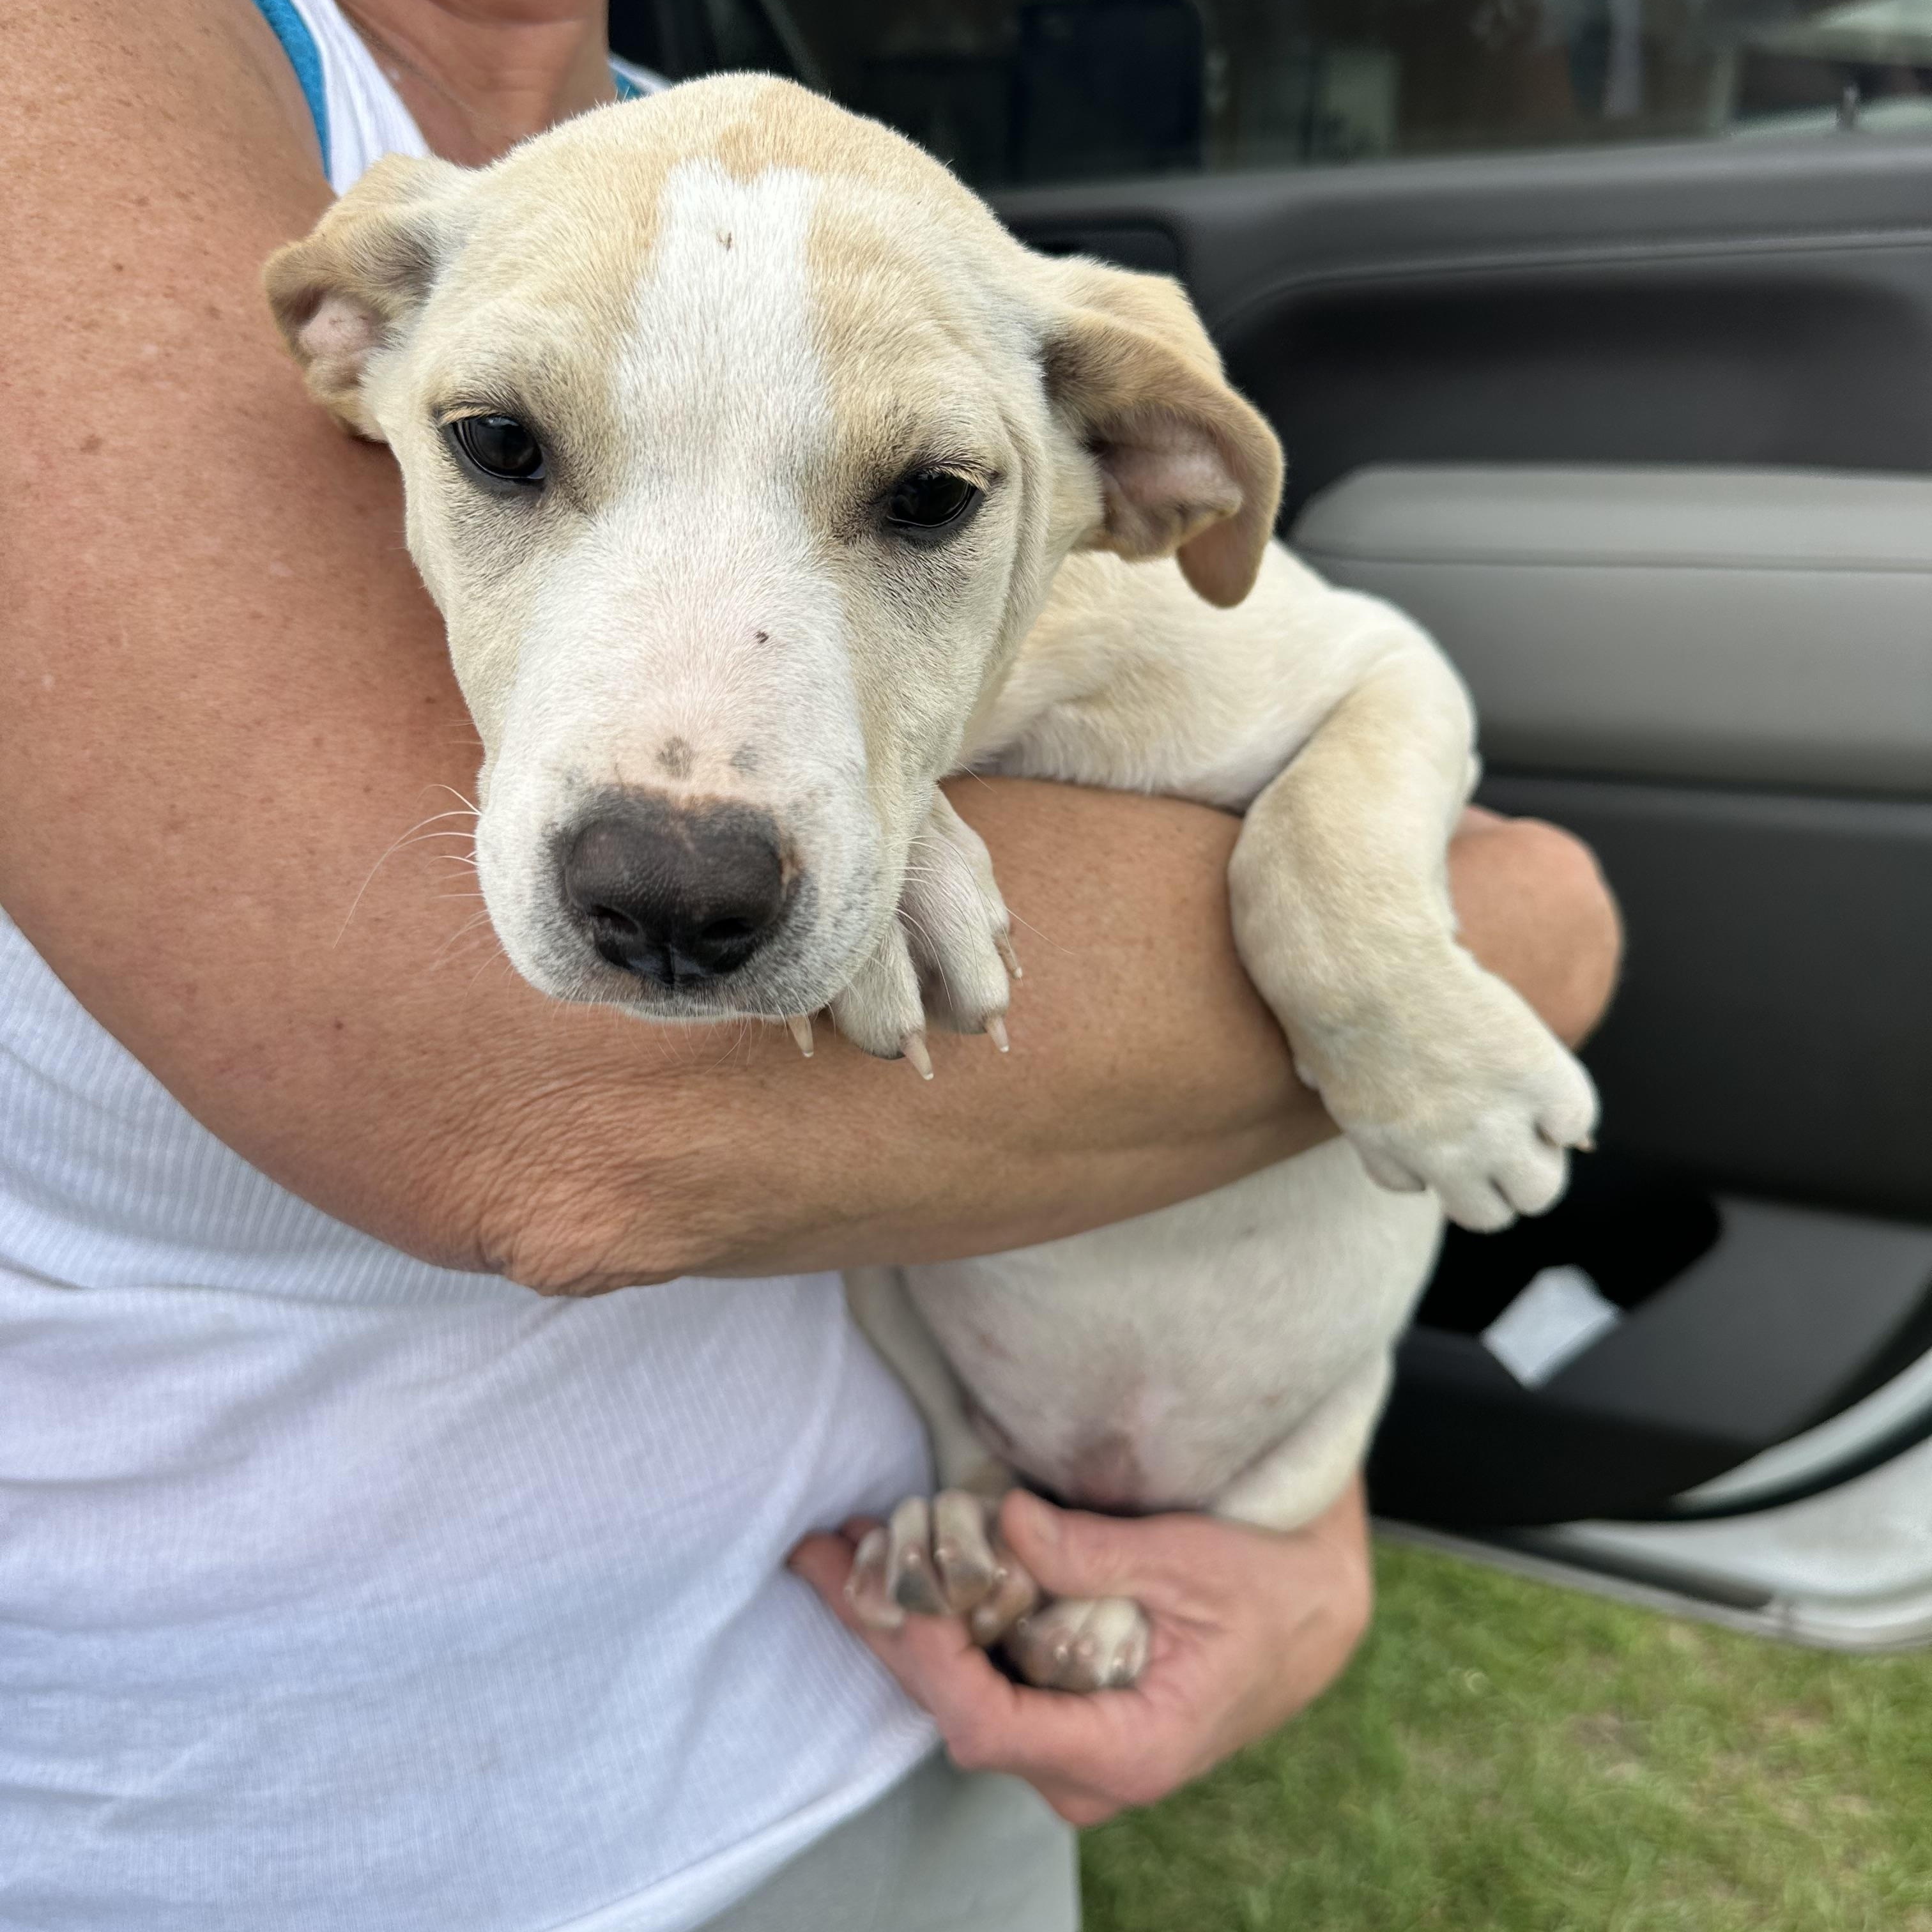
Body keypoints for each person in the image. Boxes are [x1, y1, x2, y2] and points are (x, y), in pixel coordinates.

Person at [0, 3, 1622, 1928]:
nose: (684, 836)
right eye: (512, 447)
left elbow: (1420, 773)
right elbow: (570, 1130)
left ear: (1134, 470)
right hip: (248, 1840)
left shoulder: (783, 217)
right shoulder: (189, 125)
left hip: (892, 1688)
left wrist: (1307, 1515)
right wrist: (1534, 934)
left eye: (922, 497)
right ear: (341, 348)